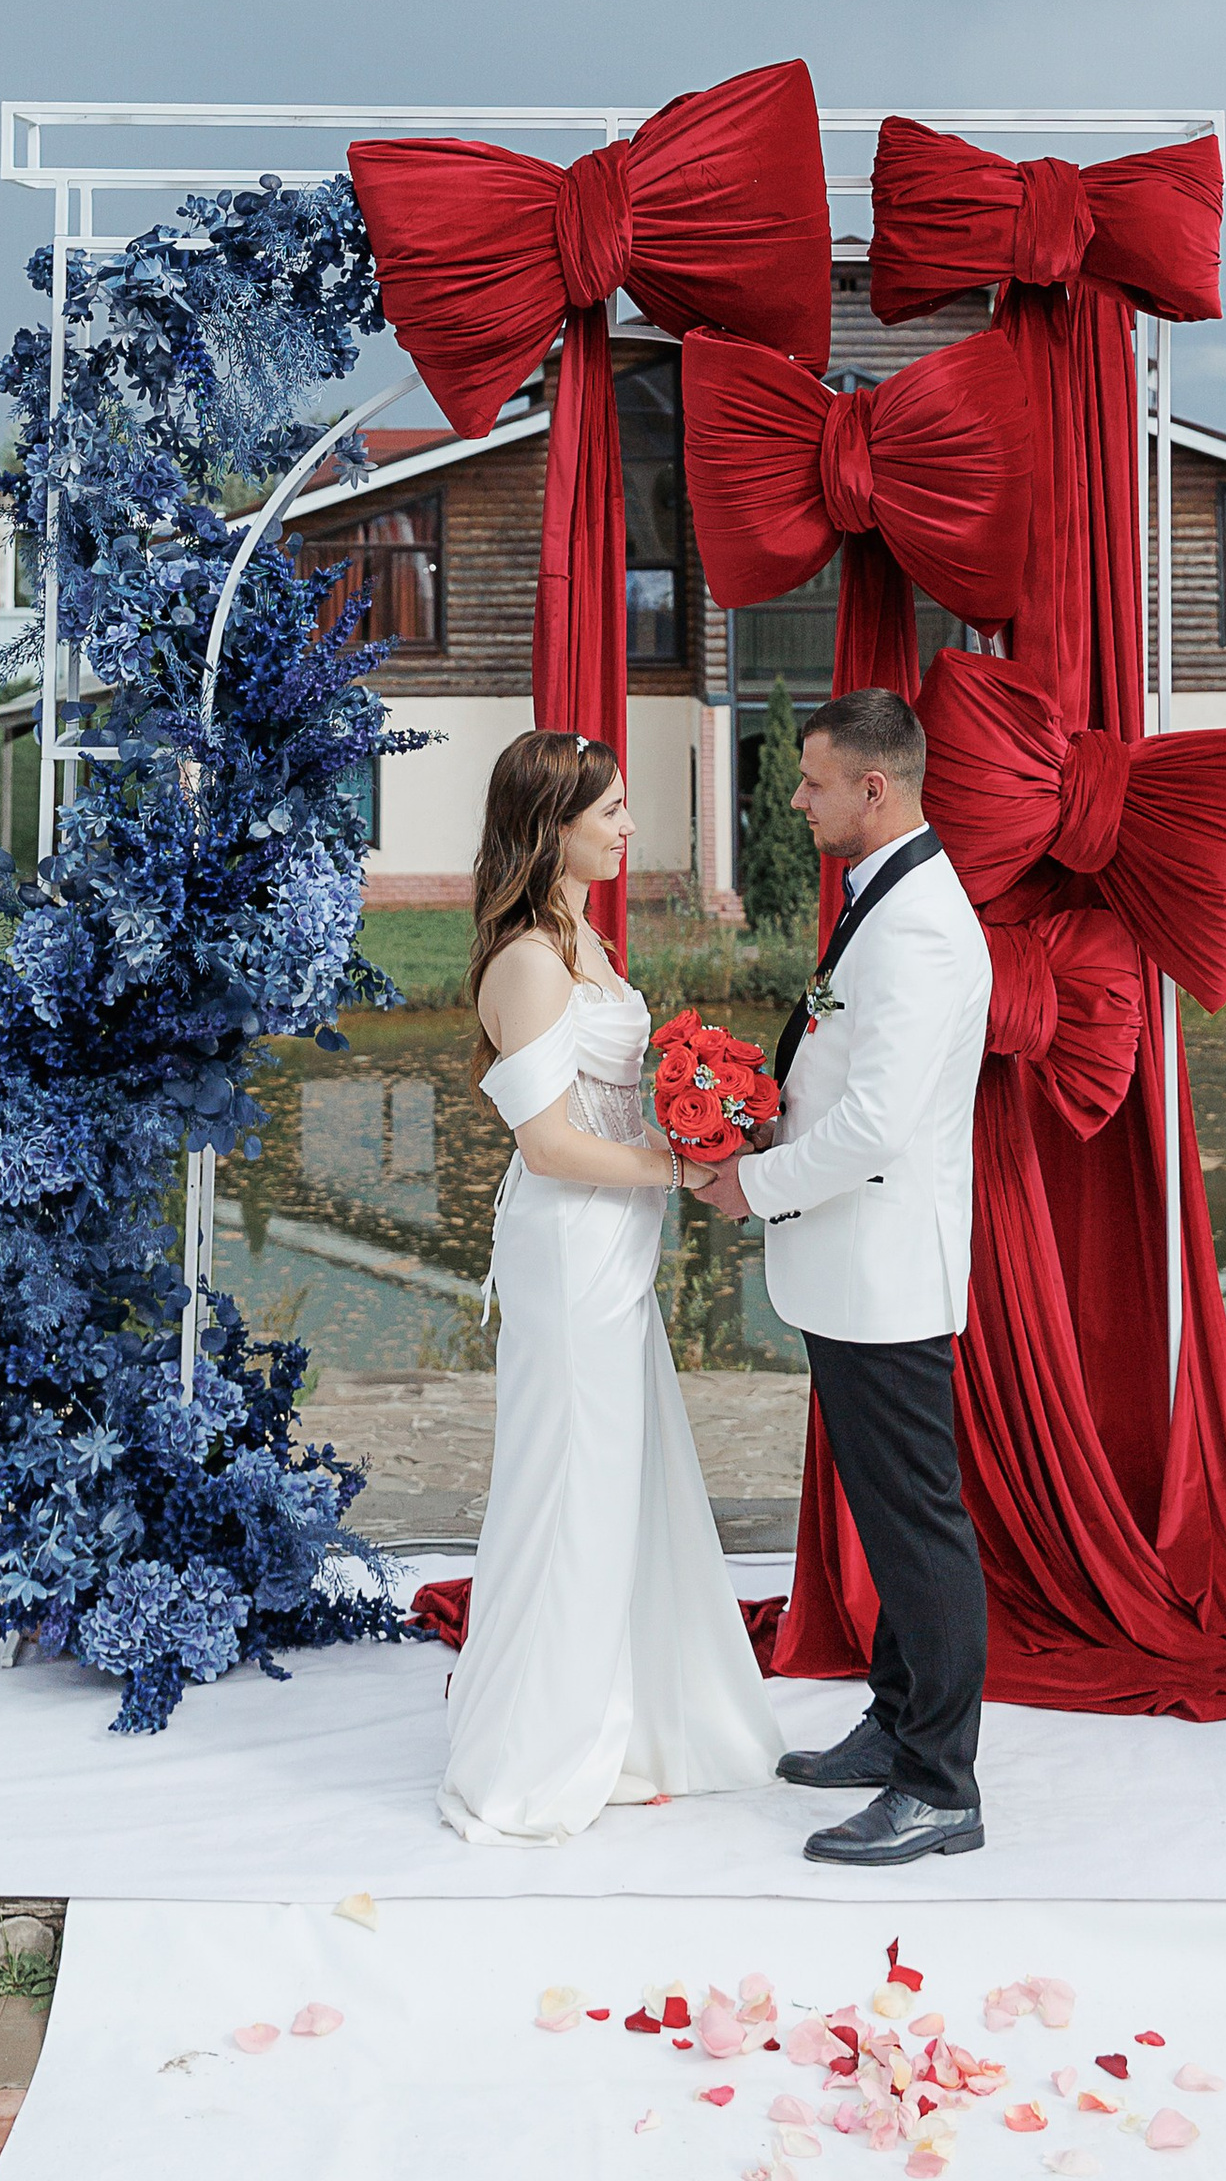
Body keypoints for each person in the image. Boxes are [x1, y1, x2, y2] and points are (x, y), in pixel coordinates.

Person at [437, 727, 785, 1844]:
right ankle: (540, 1754)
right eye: (613, 811)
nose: (629, 827)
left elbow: (609, 1095)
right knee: (570, 1488)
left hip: (612, 1246)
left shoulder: (581, 934)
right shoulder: (530, 963)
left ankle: (616, 1719)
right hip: (569, 1246)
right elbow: (544, 1144)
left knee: (617, 1482)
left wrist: (698, 1104)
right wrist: (672, 1167)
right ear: (554, 827)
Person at [687, 686, 992, 1863]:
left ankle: (940, 1786)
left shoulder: (918, 925)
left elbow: (873, 1126)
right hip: (849, 1263)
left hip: (884, 1267)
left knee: (917, 1524)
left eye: (813, 783)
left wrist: (748, 1186)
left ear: (877, 786)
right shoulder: (886, 893)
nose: (799, 799)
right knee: (886, 1509)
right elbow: (837, 1071)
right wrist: (757, 1122)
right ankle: (896, 1720)